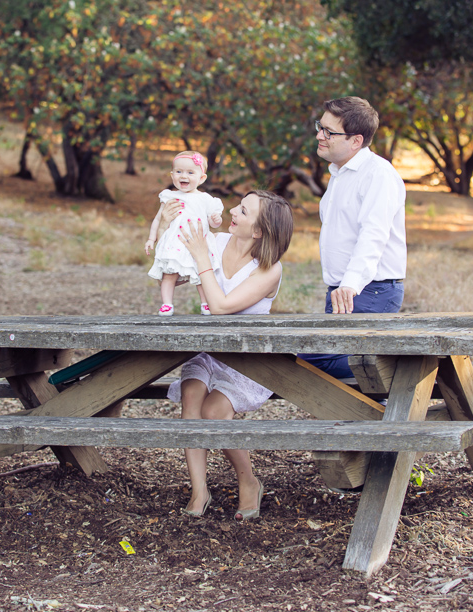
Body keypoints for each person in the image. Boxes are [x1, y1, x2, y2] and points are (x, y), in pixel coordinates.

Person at [162, 189, 294, 520]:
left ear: (260, 231)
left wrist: (202, 259)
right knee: (192, 398)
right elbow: (172, 273)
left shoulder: (269, 269)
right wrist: (166, 229)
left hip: (246, 358)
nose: (233, 211)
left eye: (244, 211)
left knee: (213, 414)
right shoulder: (216, 241)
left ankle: (248, 481)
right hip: (209, 351)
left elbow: (221, 307)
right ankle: (199, 490)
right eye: (239, 205)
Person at [300, 96, 407, 379]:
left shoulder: (378, 175)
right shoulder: (339, 174)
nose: (319, 135)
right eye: (320, 127)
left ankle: (406, 369)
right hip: (343, 292)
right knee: (334, 368)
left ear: (356, 140)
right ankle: (382, 398)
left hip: (369, 291)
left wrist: (349, 285)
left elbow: (373, 235)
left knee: (309, 358)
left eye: (329, 132)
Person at [145, 151, 224, 316]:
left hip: (198, 242)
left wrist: (216, 220)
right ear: (172, 175)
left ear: (202, 178)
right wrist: (152, 238)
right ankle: (167, 304)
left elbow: (213, 223)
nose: (184, 176)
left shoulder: (206, 199)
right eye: (179, 172)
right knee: (169, 274)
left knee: (202, 274)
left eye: (190, 172)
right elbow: (158, 219)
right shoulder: (169, 196)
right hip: (176, 241)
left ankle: (205, 303)